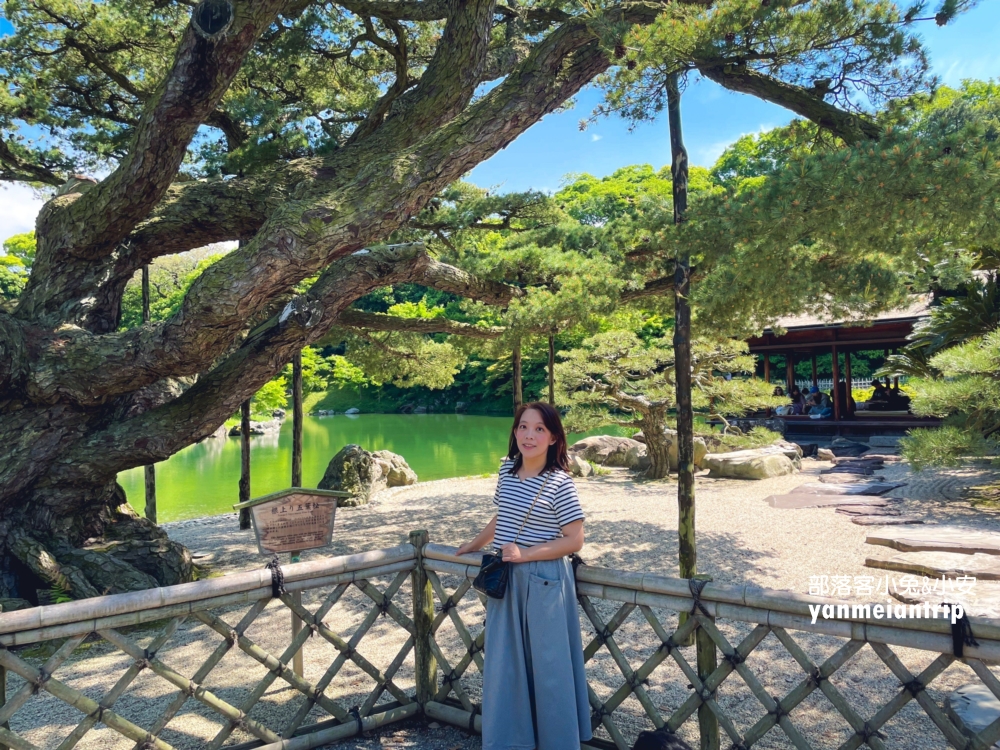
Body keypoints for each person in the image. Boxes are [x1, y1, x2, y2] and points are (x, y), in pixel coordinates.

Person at [456, 402, 591, 750]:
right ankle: (513, 741)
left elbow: (574, 540)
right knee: (507, 664)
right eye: (523, 427)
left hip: (545, 581)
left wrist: (526, 554)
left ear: (553, 438)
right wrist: (473, 543)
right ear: (514, 432)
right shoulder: (506, 471)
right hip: (506, 579)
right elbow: (504, 518)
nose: (529, 435)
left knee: (548, 668)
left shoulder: (560, 483)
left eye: (539, 429)